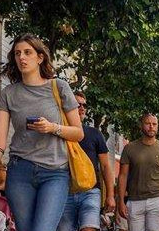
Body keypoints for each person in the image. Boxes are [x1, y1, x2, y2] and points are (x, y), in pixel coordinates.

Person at [0, 34, 86, 231]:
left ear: (40, 57)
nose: (22, 57)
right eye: (17, 53)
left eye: (28, 52)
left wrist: (53, 128)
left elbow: (78, 133)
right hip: (20, 172)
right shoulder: (8, 94)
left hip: (55, 173)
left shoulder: (59, 87)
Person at [60, 92, 118, 231]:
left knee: (89, 228)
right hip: (64, 192)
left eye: (84, 105)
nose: (82, 108)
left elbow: (105, 166)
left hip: (90, 191)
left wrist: (110, 196)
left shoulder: (95, 134)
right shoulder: (59, 132)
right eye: (77, 104)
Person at [117, 113, 159, 231]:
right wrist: (120, 201)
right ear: (141, 125)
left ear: (158, 126)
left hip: (158, 199)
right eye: (148, 123)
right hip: (135, 200)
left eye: (154, 124)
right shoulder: (129, 148)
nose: (151, 126)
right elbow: (122, 176)